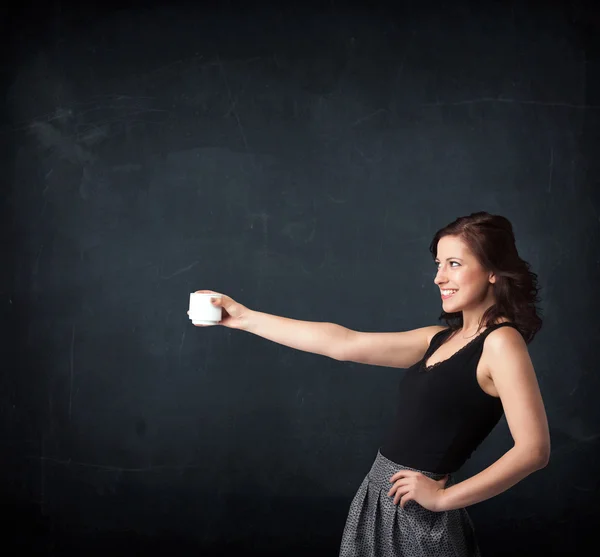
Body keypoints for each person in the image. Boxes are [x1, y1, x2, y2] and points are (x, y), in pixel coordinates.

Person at [190, 211, 551, 556]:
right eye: (438, 265)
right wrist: (243, 318)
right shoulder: (439, 339)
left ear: (493, 271)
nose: (439, 277)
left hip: (418, 513)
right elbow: (344, 343)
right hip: (379, 498)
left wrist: (441, 499)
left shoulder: (501, 343)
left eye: (454, 264)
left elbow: (533, 451)